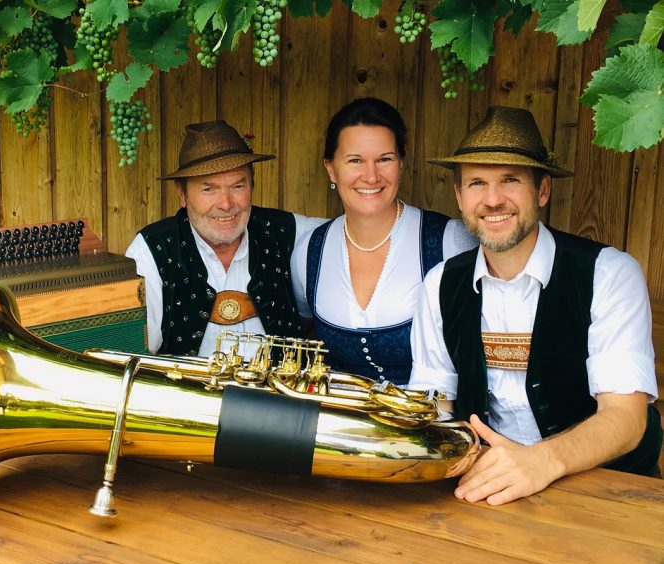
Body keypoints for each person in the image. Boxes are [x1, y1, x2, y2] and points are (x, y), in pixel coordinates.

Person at [409, 105, 662, 505]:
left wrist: (539, 462)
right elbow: (434, 405)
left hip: (605, 493)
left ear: (542, 190)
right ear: (459, 196)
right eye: (476, 183)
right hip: (488, 485)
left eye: (510, 180)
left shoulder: (609, 273)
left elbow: (626, 418)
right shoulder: (439, 284)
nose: (493, 199)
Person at [291, 97, 476, 385]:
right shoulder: (309, 251)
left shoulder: (450, 241)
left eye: (384, 159)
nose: (371, 176)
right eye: (355, 161)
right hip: (337, 413)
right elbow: (305, 335)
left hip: (430, 412)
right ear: (331, 169)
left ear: (401, 164)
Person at [126, 120, 324, 357]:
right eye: (208, 189)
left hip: (276, 382)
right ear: (182, 194)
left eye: (238, 186)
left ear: (252, 185)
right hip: (187, 383)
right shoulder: (152, 250)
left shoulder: (287, 231)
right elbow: (134, 353)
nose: (226, 204)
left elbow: (348, 234)